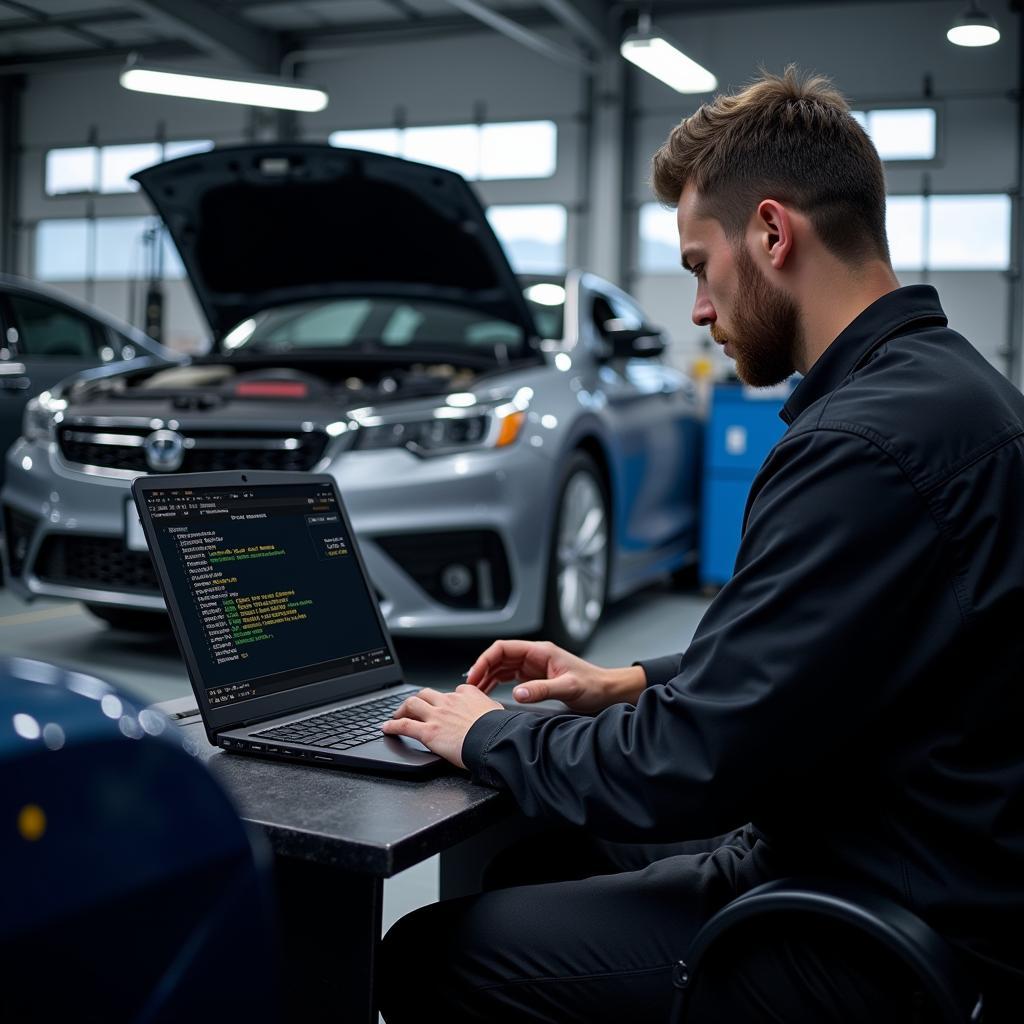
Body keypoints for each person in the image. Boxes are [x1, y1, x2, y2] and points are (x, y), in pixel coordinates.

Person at [377, 66, 1024, 1022]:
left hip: (871, 927)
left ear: (771, 234)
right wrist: (627, 681)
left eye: (696, 267)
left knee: (426, 957)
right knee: (536, 855)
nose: (698, 310)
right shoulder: (953, 393)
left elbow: (690, 764)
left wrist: (491, 733)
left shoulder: (859, 447)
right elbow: (830, 639)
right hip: (908, 855)